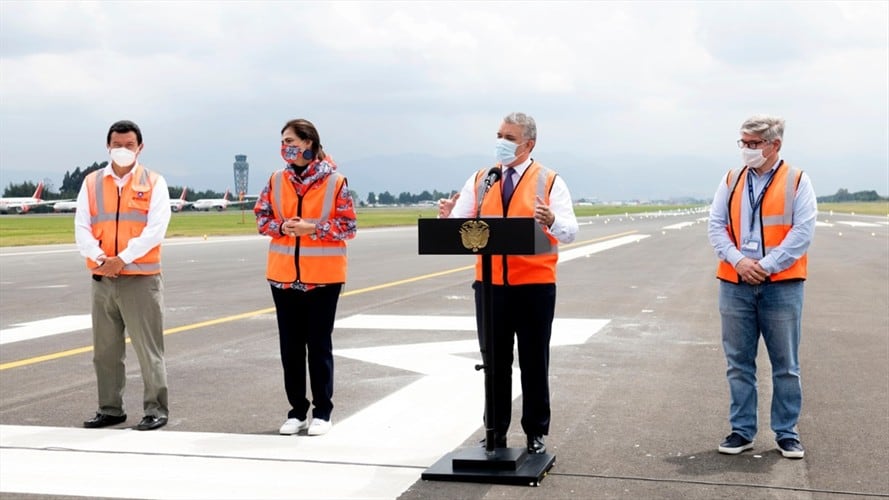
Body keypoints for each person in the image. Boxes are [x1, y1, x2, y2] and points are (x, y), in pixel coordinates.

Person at [438, 112, 579, 454]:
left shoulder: (549, 180)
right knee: (494, 363)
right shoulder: (481, 179)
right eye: (499, 134)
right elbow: (461, 226)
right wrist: (448, 217)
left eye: (510, 137)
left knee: (533, 362)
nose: (501, 142)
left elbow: (570, 232)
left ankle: (535, 432)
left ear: (528, 144)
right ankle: (495, 430)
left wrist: (552, 219)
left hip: (533, 287)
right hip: (489, 286)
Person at [708, 115, 817, 459]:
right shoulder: (731, 179)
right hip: (734, 282)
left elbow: (803, 233)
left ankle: (786, 432)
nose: (746, 150)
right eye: (742, 143)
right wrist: (739, 261)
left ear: (775, 145)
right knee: (738, 363)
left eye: (753, 144)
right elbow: (716, 225)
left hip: (781, 284)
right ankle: (742, 430)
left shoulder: (797, 181)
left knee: (785, 364)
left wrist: (765, 266)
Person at [255, 118, 357, 437]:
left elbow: (348, 227)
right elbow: (262, 217)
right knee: (291, 347)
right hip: (283, 277)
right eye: (283, 141)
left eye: (291, 140)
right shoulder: (275, 180)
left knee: (319, 344)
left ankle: (323, 412)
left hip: (323, 278)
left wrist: (312, 228)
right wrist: (282, 227)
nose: (286, 146)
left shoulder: (335, 182)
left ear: (309, 143)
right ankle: (297, 410)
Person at [75, 119, 172, 431]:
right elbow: (82, 226)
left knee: (148, 350)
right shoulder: (91, 183)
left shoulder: (154, 182)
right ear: (108, 146)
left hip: (140, 279)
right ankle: (110, 408)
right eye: (117, 145)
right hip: (103, 278)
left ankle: (155, 409)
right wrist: (101, 258)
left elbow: (155, 230)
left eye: (129, 145)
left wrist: (123, 258)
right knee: (105, 351)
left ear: (140, 148)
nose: (122, 150)